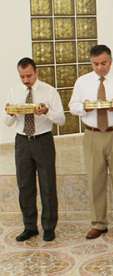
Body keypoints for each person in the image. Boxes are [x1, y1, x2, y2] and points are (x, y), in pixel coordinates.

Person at [69, 45, 113, 239]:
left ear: (111, 60)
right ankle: (98, 223)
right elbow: (72, 106)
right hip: (92, 135)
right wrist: (84, 107)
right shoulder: (82, 82)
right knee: (95, 179)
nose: (100, 67)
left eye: (104, 63)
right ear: (91, 62)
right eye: (96, 64)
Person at [2, 57, 65, 241]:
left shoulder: (49, 91)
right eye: (22, 76)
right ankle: (30, 227)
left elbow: (61, 119)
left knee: (48, 185)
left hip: (43, 140)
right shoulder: (14, 91)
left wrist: (46, 112)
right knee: (25, 185)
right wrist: (10, 112)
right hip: (22, 141)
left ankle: (48, 227)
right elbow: (7, 122)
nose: (26, 80)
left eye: (29, 75)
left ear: (36, 72)